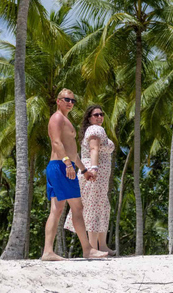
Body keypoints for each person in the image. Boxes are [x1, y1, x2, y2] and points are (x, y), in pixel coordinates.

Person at [42, 89, 107, 261]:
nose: (70, 103)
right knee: (77, 208)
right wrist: (67, 163)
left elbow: (72, 151)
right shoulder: (57, 118)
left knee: (57, 210)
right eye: (67, 100)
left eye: (73, 100)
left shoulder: (66, 120)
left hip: (61, 166)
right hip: (60, 166)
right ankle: (87, 249)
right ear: (58, 101)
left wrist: (83, 170)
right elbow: (56, 142)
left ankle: (48, 251)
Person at [65, 104, 116, 255]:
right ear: (89, 118)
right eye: (96, 115)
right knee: (94, 207)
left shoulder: (96, 130)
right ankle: (93, 247)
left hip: (99, 177)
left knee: (102, 207)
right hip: (94, 174)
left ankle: (103, 245)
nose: (100, 117)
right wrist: (94, 168)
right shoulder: (95, 130)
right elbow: (94, 149)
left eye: (101, 114)